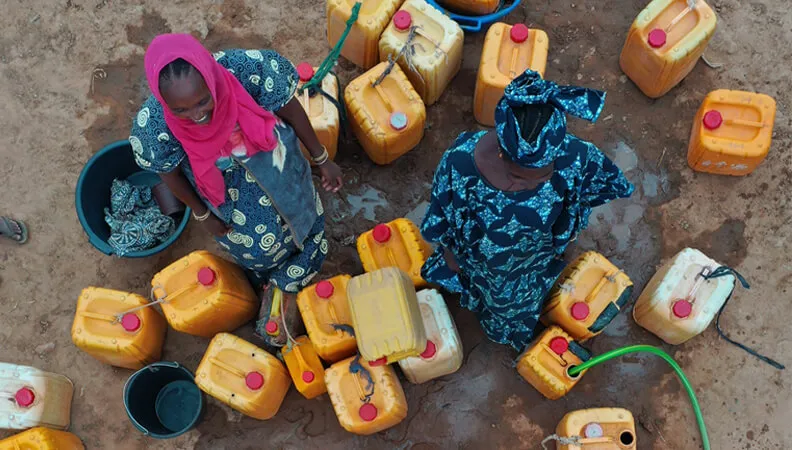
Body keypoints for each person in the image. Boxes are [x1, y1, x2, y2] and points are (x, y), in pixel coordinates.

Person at [131, 34, 342, 344]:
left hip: (280, 167)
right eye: (181, 110)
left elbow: (291, 109)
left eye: (203, 100)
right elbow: (170, 175)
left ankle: (302, 250)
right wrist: (203, 215)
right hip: (231, 200)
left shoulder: (246, 70)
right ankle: (272, 276)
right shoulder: (155, 127)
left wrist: (321, 158)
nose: (197, 115)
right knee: (257, 247)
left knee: (304, 212)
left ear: (211, 79)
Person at [420, 70, 634, 351]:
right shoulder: (459, 162)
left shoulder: (574, 157)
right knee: (497, 299)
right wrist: (451, 255)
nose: (525, 185)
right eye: (517, 175)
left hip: (535, 252)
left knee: (518, 301)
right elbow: (442, 217)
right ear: (500, 150)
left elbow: (600, 189)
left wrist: (566, 230)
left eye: (542, 177)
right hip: (482, 260)